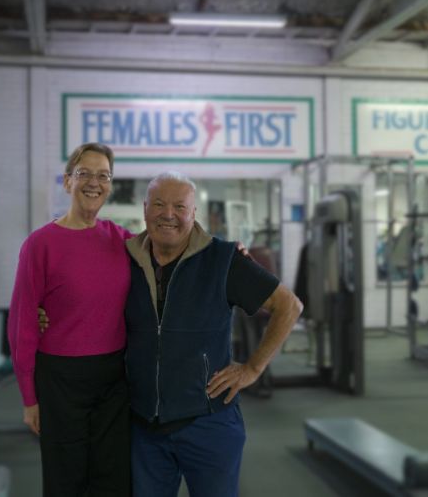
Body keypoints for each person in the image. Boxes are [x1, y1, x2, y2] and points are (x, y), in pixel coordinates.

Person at [125, 171, 303, 497]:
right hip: (144, 426)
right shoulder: (126, 259)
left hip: (208, 423)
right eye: (160, 204)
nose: (168, 214)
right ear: (145, 208)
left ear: (194, 213)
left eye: (180, 206)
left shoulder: (224, 260)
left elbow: (288, 306)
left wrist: (253, 368)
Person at [7, 142, 131, 496]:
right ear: (67, 182)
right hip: (60, 378)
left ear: (110, 184)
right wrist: (29, 397)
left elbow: (171, 250)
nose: (95, 182)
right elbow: (22, 325)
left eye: (103, 175)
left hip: (113, 378)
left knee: (113, 478)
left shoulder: (122, 239)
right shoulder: (40, 244)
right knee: (66, 479)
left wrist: (226, 252)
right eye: (85, 174)